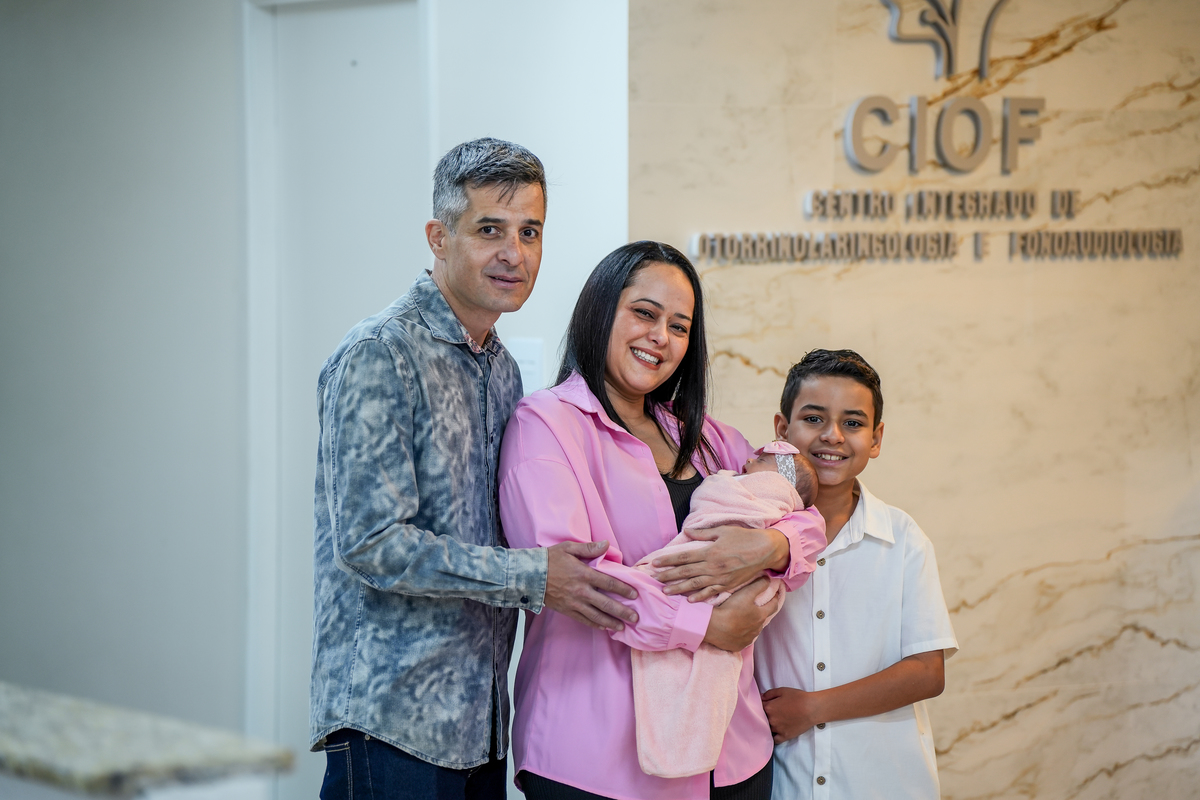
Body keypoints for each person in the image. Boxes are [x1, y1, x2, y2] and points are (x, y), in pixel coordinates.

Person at [309, 138, 641, 800]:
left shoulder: (501, 368)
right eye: (490, 229)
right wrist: (534, 576)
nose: (514, 253)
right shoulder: (381, 352)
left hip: (482, 729)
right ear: (439, 237)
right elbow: (373, 545)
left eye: (530, 232)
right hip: (392, 725)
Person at [498, 241, 827, 800]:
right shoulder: (546, 425)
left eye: (679, 327)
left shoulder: (708, 437)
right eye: (645, 314)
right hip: (598, 757)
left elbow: (802, 513)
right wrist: (707, 626)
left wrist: (770, 549)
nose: (660, 337)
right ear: (601, 311)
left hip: (732, 751)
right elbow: (577, 581)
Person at [753, 349, 959, 800]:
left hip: (884, 782)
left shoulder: (902, 539)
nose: (832, 435)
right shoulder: (751, 535)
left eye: (852, 422)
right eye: (813, 418)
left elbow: (927, 672)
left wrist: (812, 708)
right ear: (782, 430)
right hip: (783, 782)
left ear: (876, 438)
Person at [629, 441, 820, 780]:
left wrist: (773, 543)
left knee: (710, 674)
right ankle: (680, 745)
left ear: (778, 479)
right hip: (665, 612)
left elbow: (813, 526)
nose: (748, 461)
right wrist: (702, 624)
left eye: (760, 460)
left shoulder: (722, 445)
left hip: (746, 753)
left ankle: (685, 744)